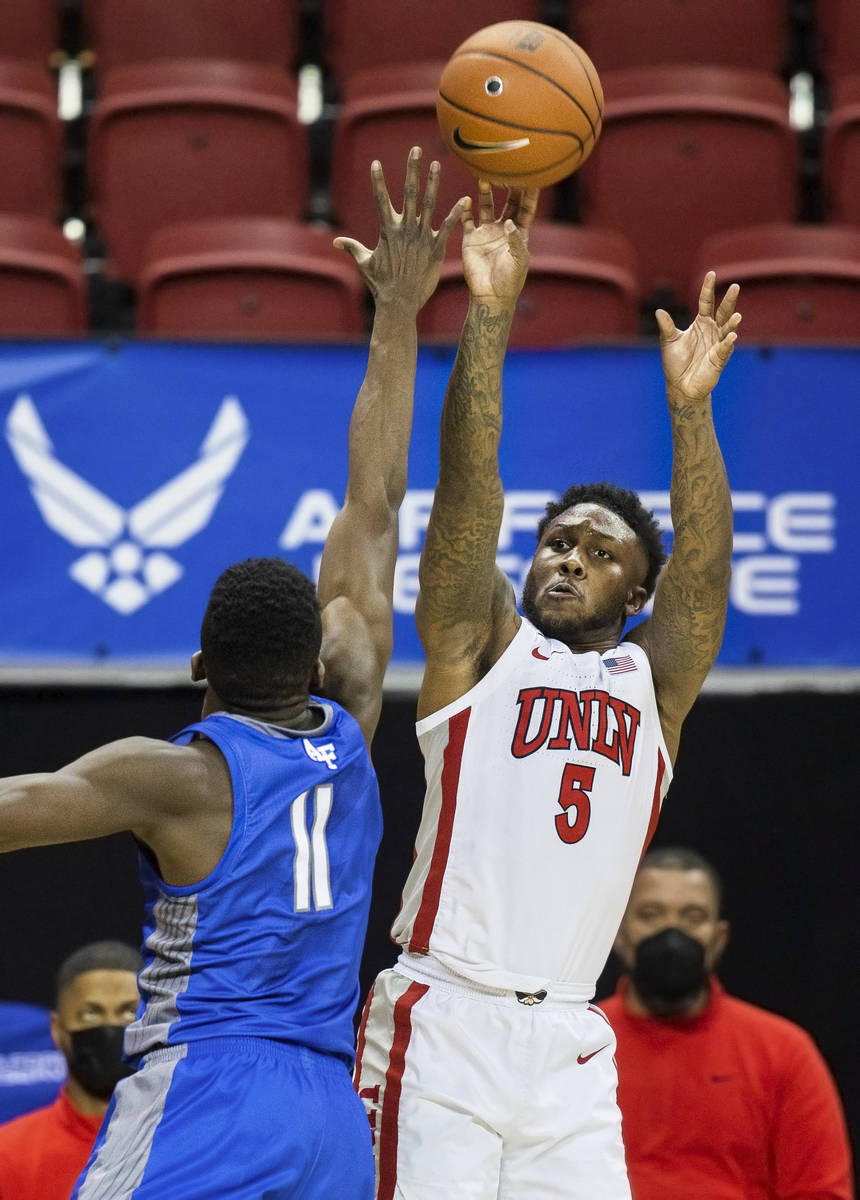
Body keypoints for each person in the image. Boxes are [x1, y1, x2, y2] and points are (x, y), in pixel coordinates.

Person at [0, 149, 465, 1200]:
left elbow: (17, 807)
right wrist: (396, 311)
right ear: (315, 657)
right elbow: (377, 498)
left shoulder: (173, 778)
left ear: (200, 664)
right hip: (325, 1111)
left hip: (206, 1093)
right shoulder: (349, 712)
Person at [354, 181, 742, 1199]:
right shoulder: (480, 645)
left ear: (635, 590)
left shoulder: (649, 684)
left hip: (570, 1039)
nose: (566, 560)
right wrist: (487, 317)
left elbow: (701, 577)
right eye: (555, 542)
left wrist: (688, 414)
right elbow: (467, 502)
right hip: (443, 1018)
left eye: (597, 552)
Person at [603, 846, 854, 1199]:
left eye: (692, 916)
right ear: (618, 932)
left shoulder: (783, 1051)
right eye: (650, 914)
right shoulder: (579, 1045)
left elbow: (821, 1191)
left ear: (718, 938)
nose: (671, 933)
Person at [0, 941, 141, 1200]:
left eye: (129, 1012)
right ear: (56, 1029)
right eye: (90, 1014)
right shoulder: (7, 1157)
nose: (110, 1026)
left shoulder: (189, 1146)